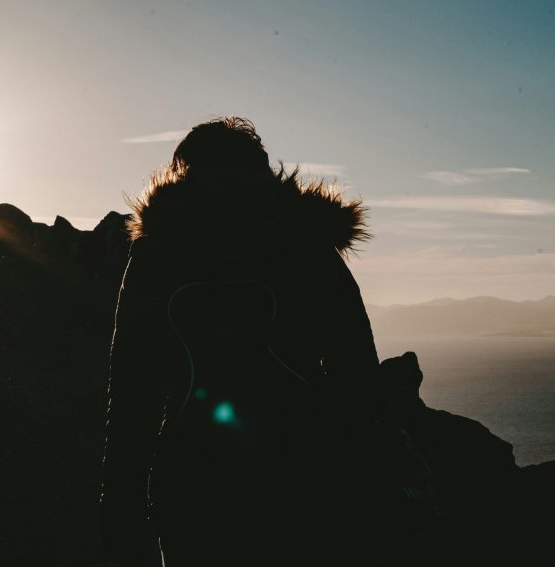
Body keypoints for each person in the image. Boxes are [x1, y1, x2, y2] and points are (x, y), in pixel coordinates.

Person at [101, 118, 381, 565]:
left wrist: (120, 504)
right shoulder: (308, 246)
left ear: (184, 173)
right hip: (303, 477)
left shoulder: (161, 253)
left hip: (196, 482)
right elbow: (359, 375)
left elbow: (134, 389)